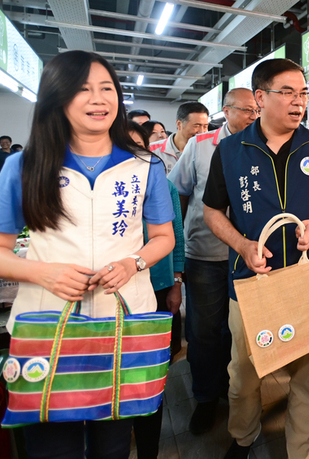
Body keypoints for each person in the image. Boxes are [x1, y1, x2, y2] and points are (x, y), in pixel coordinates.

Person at [0, 50, 175, 459]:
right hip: (50, 326)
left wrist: (133, 262)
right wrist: (43, 273)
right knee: (52, 445)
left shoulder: (144, 166)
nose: (98, 99)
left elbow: (163, 238)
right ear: (57, 98)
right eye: (83, 89)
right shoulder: (25, 166)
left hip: (121, 324)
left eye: (107, 88)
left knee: (114, 444)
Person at [202, 58, 309, 459]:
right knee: (243, 376)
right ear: (261, 97)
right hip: (251, 282)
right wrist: (242, 245)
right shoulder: (231, 150)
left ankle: (302, 451)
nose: (298, 101)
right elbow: (212, 211)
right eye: (288, 92)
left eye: (303, 93)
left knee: (307, 378)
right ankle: (243, 437)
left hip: (307, 277)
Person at [168, 87, 259, 436]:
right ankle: (205, 398)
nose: (253, 116)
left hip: (247, 258)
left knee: (236, 332)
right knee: (204, 331)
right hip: (205, 255)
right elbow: (180, 193)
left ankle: (229, 389)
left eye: (256, 110)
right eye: (246, 110)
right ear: (227, 110)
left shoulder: (260, 146)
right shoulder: (201, 145)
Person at [128, 122, 185, 459]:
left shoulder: (163, 185)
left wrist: (177, 282)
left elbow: (174, 236)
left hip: (160, 287)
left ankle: (148, 437)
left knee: (154, 368)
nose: (135, 153)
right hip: (119, 294)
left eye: (140, 145)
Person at [149, 102, 209, 174]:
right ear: (179, 124)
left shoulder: (208, 151)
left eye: (205, 126)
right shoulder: (152, 151)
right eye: (196, 126)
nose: (202, 132)